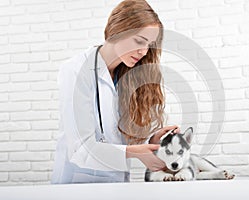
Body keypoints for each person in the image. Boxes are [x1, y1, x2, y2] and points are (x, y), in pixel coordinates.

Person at [51, 0, 180, 184]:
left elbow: (119, 139)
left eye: (148, 45)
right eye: (139, 41)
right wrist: (135, 153)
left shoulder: (129, 76)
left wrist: (152, 141)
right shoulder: (76, 70)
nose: (144, 52)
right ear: (117, 30)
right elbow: (79, 149)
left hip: (117, 184)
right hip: (77, 185)